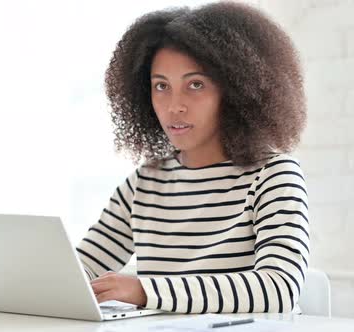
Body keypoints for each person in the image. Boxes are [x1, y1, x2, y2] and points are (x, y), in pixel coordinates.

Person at [76, 1, 308, 314]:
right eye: (161, 86)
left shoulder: (273, 175)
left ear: (236, 90)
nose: (174, 106)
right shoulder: (145, 183)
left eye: (195, 85)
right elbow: (81, 269)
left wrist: (145, 290)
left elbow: (279, 289)